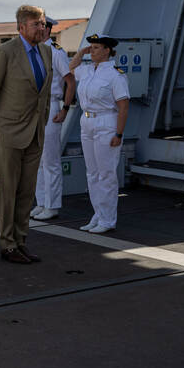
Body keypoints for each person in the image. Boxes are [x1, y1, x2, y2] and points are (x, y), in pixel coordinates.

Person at [0, 5, 52, 264]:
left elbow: (44, 94)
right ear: (21, 27)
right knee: (8, 191)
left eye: (42, 24)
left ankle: (21, 241)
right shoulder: (5, 53)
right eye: (36, 24)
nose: (41, 29)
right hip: (8, 133)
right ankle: (6, 244)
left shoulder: (46, 52)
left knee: (26, 192)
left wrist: (42, 122)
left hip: (35, 133)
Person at [68, 34, 129, 233]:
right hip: (87, 121)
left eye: (96, 47)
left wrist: (118, 134)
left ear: (107, 50)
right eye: (91, 47)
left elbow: (124, 107)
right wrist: (82, 52)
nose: (92, 50)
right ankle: (98, 214)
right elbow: (71, 68)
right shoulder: (87, 70)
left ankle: (108, 219)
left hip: (107, 122)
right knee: (92, 173)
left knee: (106, 174)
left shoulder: (115, 74)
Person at [31, 16, 76, 221]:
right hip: (34, 107)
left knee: (51, 160)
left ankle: (53, 205)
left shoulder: (56, 52)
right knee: (37, 160)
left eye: (40, 27)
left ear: (47, 29)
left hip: (51, 105)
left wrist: (65, 108)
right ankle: (41, 202)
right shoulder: (34, 52)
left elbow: (70, 81)